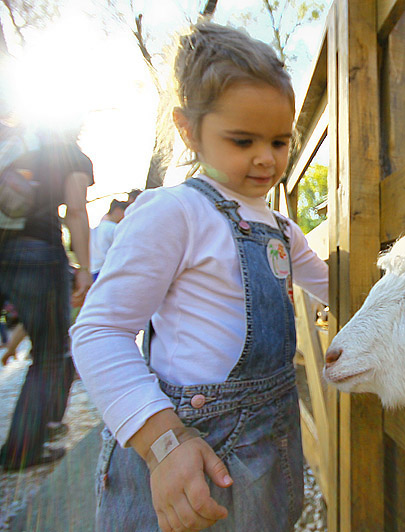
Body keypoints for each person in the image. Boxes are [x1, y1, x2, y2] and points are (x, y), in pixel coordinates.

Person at [71, 21, 328, 532]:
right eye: (243, 139)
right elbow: (99, 332)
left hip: (270, 444)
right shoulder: (174, 212)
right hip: (188, 449)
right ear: (188, 129)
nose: (267, 157)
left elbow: (336, 285)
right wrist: (164, 443)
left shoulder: (279, 227)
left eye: (281, 140)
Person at [0, 123, 94, 470]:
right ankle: (22, 451)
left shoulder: (17, 146)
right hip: (39, 252)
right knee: (50, 355)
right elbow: (76, 210)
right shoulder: (73, 156)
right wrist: (83, 267)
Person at [89, 198, 127, 280]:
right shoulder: (114, 228)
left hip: (93, 269)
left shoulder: (98, 227)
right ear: (118, 210)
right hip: (106, 270)